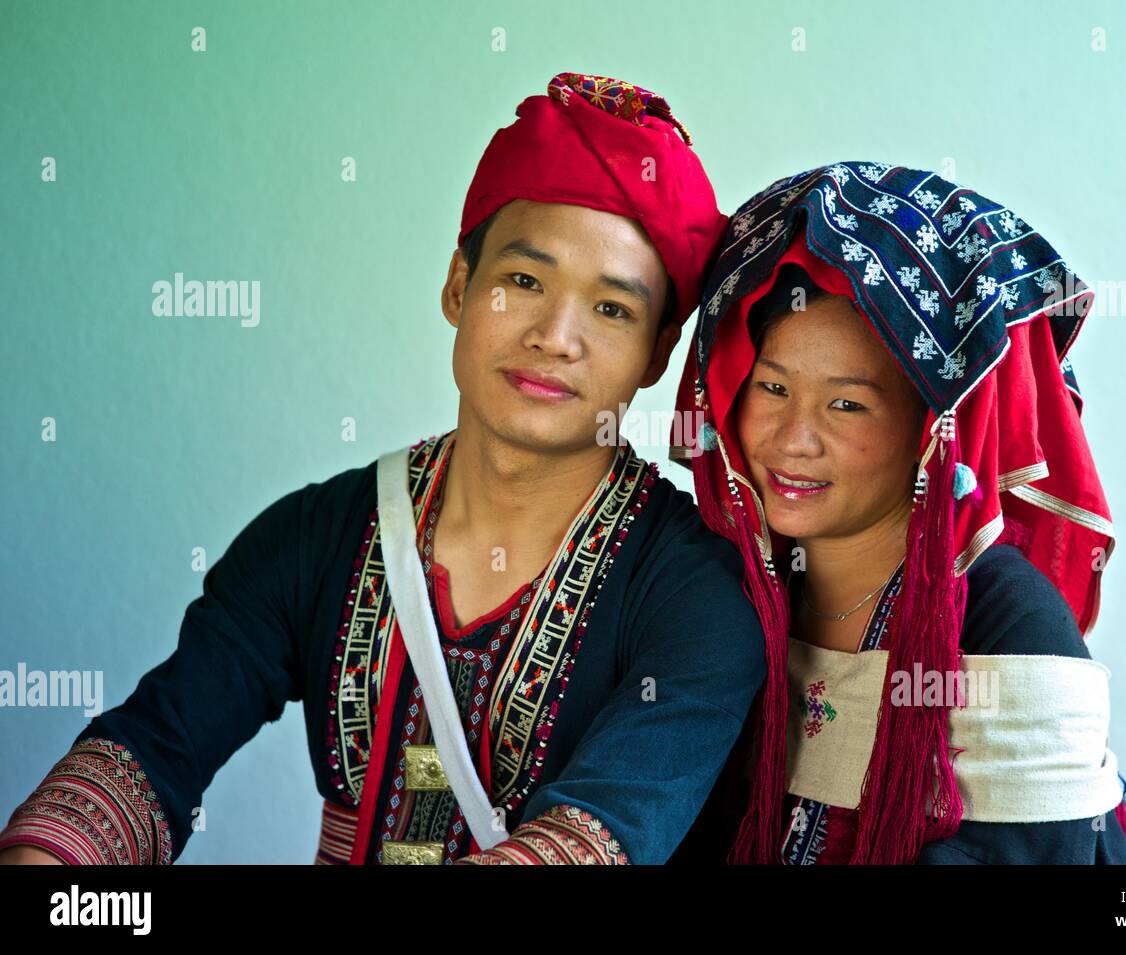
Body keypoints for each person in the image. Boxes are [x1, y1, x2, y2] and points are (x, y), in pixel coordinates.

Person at [0, 72, 766, 866]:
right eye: (525, 280)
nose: (556, 335)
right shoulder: (314, 537)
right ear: (458, 286)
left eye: (612, 308)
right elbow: (155, 750)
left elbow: (594, 841)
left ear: (654, 354)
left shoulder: (696, 596)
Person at [669, 161, 1126, 864]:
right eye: (772, 387)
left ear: (930, 427)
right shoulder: (738, 581)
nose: (793, 439)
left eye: (846, 403)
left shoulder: (1005, 618)